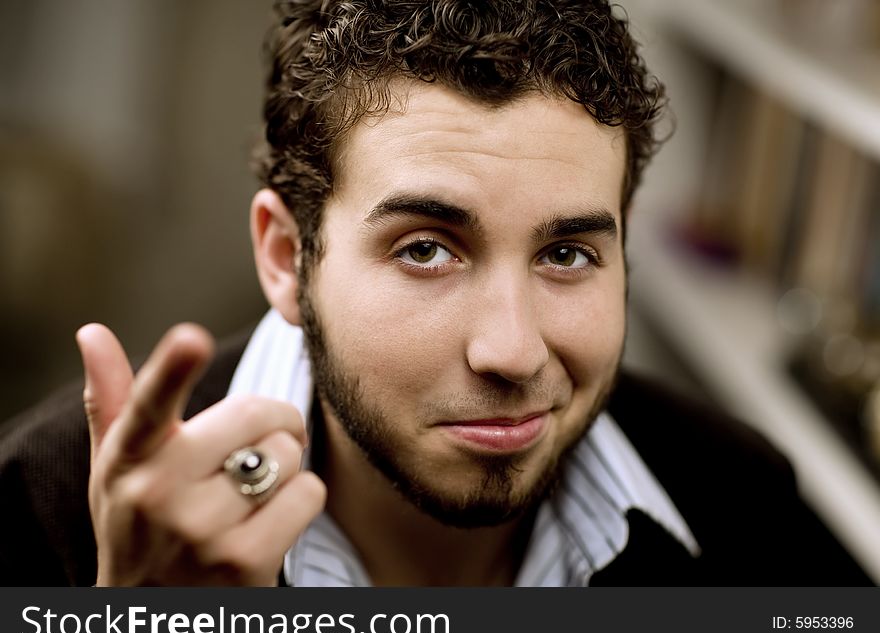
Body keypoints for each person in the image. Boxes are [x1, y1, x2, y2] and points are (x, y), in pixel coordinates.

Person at [0, 0, 872, 586]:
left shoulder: (743, 505)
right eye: (426, 249)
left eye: (567, 252)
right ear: (285, 256)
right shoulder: (45, 513)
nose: (514, 350)